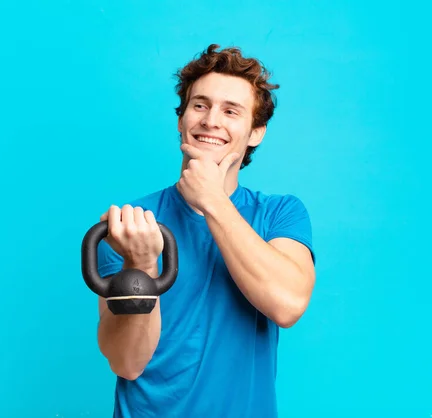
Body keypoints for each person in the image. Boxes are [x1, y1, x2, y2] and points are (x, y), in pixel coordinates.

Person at [95, 44, 316, 417]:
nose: (211, 121)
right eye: (200, 105)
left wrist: (212, 200)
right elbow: (127, 362)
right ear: (181, 119)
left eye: (231, 111)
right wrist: (142, 265)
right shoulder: (129, 226)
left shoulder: (281, 214)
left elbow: (287, 305)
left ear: (256, 132)